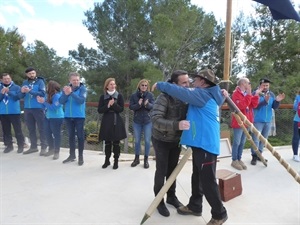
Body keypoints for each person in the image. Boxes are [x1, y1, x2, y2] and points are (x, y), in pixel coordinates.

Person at [154, 69, 228, 225]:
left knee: (208, 181)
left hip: (205, 144)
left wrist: (160, 84)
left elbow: (180, 91)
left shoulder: (201, 95)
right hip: (199, 143)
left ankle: (219, 214)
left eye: (195, 80)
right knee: (198, 177)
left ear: (203, 82)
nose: (192, 83)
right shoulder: (211, 94)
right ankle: (195, 206)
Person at [151, 70, 189, 217]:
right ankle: (159, 200)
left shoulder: (186, 97)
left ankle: (171, 197)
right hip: (161, 140)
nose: (187, 85)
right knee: (161, 170)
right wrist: (176, 125)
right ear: (174, 84)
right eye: (184, 82)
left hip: (176, 140)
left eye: (188, 82)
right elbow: (155, 120)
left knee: (173, 171)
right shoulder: (163, 97)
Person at [250, 78, 285, 165]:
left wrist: (277, 101)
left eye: (267, 85)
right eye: (264, 85)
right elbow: (255, 106)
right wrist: (264, 102)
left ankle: (260, 155)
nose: (265, 87)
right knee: (256, 139)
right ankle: (254, 156)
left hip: (268, 120)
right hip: (257, 120)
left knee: (264, 140)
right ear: (260, 85)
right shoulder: (256, 93)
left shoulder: (271, 94)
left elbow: (274, 107)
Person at [230, 77, 262, 170]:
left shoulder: (246, 94)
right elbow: (241, 106)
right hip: (239, 122)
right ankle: (234, 160)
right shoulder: (236, 94)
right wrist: (249, 94)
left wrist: (255, 95)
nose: (250, 84)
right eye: (248, 83)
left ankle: (239, 158)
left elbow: (253, 105)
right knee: (237, 142)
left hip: (247, 121)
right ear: (243, 83)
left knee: (243, 142)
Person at [98, 78, 127, 170]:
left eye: (114, 84)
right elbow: (100, 110)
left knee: (116, 143)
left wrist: (113, 104)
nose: (113, 86)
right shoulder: (102, 97)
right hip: (106, 121)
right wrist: (107, 106)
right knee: (107, 142)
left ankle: (116, 161)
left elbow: (121, 109)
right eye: (111, 84)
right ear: (107, 86)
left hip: (116, 121)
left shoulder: (119, 96)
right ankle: (107, 160)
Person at [59, 72, 87, 166]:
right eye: (74, 80)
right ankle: (72, 155)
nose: (76, 82)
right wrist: (66, 93)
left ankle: (80, 157)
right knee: (70, 136)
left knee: (80, 137)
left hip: (79, 116)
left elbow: (81, 101)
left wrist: (71, 93)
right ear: (70, 80)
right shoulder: (66, 88)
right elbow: (61, 101)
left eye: (77, 80)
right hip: (68, 116)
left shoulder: (83, 88)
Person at [18, 67, 47, 155]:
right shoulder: (24, 82)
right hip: (27, 108)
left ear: (35, 73)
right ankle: (33, 147)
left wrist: (30, 91)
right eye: (30, 74)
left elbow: (42, 93)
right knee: (31, 129)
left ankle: (44, 147)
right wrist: (22, 92)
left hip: (38, 108)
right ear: (27, 74)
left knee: (42, 128)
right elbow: (20, 96)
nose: (32, 75)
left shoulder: (40, 82)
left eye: (33, 73)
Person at [129, 79, 154, 169]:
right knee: (137, 141)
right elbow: (131, 107)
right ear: (139, 86)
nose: (144, 87)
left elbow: (153, 106)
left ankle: (146, 160)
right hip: (137, 121)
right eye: (142, 85)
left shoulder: (150, 95)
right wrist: (138, 104)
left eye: (145, 85)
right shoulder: (134, 96)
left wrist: (147, 104)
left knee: (147, 141)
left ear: (147, 87)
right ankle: (136, 159)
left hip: (147, 121)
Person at [37, 81, 64, 160]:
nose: (46, 88)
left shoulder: (58, 96)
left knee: (56, 135)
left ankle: (56, 151)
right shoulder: (47, 95)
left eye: (47, 86)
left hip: (56, 117)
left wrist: (44, 102)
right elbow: (44, 106)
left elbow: (53, 107)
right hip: (47, 117)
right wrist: (40, 101)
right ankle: (51, 149)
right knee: (47, 133)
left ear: (52, 88)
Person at [0, 73, 25, 153]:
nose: (6, 80)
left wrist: (9, 92)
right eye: (4, 79)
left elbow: (17, 97)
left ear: (11, 78)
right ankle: (9, 145)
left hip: (14, 112)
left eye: (8, 78)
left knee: (18, 129)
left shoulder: (16, 87)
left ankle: (20, 145)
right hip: (3, 112)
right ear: (1, 80)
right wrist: (2, 93)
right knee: (6, 130)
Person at [292, 90, 300, 162]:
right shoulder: (298, 97)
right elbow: (294, 107)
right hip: (297, 120)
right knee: (296, 137)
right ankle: (295, 154)